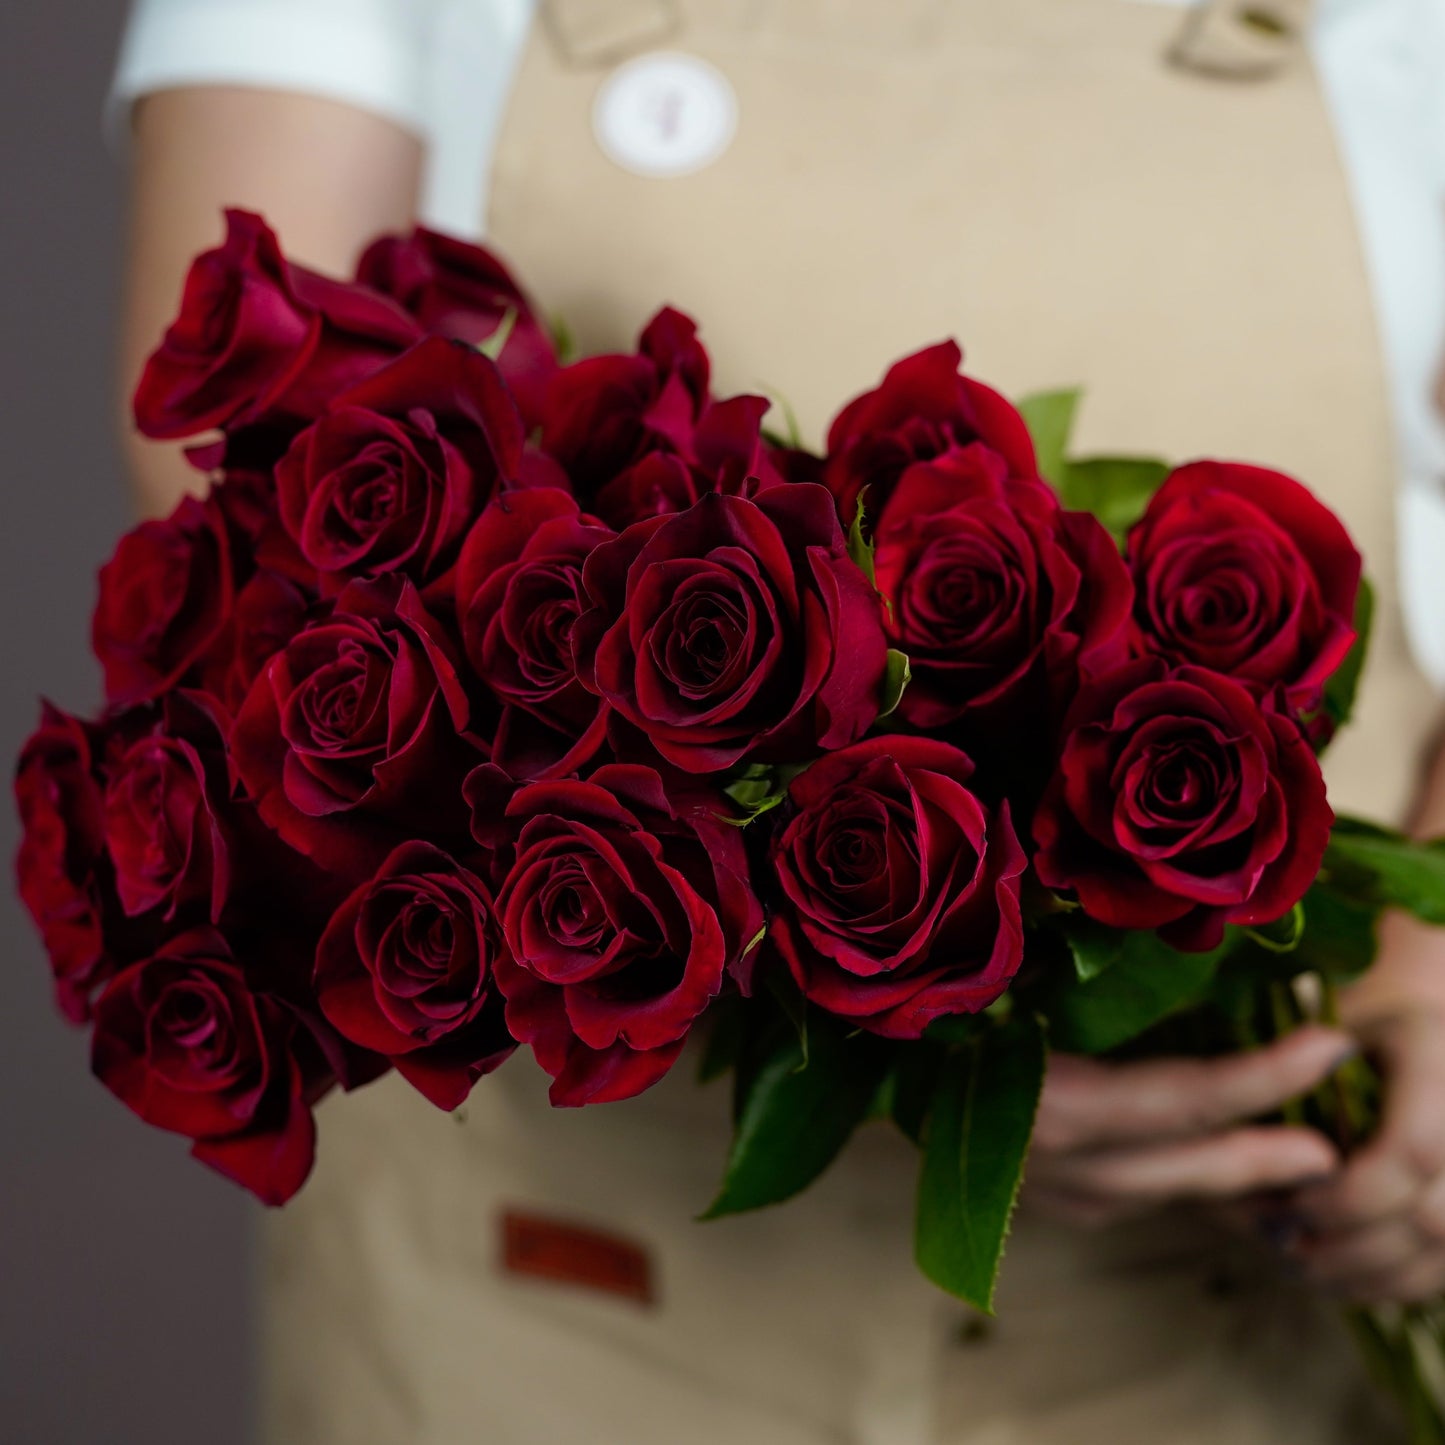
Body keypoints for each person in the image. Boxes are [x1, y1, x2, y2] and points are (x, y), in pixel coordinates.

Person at [110, 1, 1445, 1441]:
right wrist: (906, 1010)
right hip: (562, 1291)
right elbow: (238, 482)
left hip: (1241, 1272)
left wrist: (1424, 971)